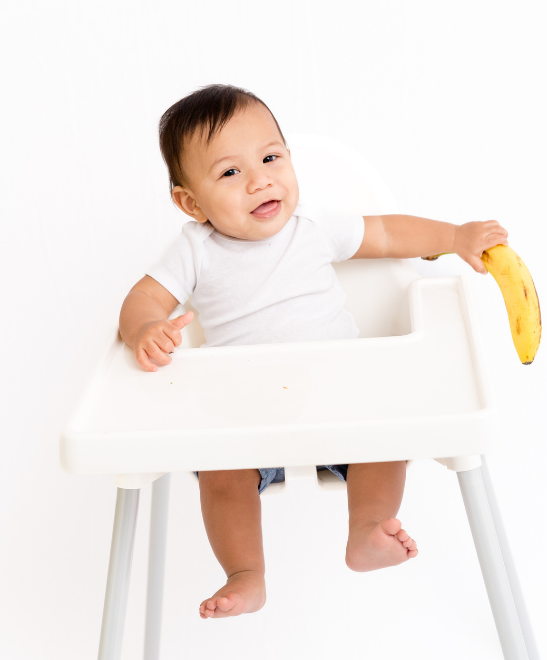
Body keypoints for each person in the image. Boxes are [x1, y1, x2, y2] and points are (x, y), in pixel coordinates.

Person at [118, 84, 508, 620]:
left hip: (341, 400)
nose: (260, 180)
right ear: (190, 201)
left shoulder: (314, 227)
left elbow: (390, 233)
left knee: (386, 437)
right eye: (230, 173)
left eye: (271, 158)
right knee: (220, 475)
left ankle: (367, 529)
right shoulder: (195, 250)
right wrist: (145, 329)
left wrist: (456, 235)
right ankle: (245, 573)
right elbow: (144, 297)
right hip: (246, 418)